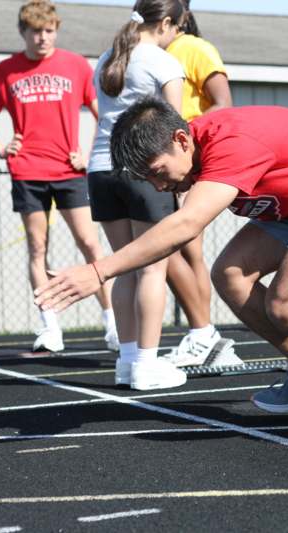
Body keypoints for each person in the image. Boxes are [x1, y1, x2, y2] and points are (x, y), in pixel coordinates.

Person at [34, 96, 288, 415]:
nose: (158, 186)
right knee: (230, 275)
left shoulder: (231, 143)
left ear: (182, 140)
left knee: (286, 305)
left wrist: (98, 271)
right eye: (147, 179)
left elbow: (187, 224)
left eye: (158, 172)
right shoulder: (195, 153)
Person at [0, 0, 117, 353]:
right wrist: (1, 148)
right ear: (23, 32)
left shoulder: (75, 65)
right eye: (36, 31)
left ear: (56, 30)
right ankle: (50, 326)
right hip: (27, 171)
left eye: (49, 31)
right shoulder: (6, 70)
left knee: (91, 245)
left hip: (69, 172)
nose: (43, 38)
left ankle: (113, 323)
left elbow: (103, 114)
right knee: (38, 248)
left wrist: (88, 155)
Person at [88, 0, 201, 390]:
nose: (177, 36)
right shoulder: (163, 61)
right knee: (152, 269)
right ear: (166, 23)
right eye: (178, 28)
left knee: (123, 267)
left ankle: (127, 362)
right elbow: (174, 128)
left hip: (100, 169)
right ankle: (146, 366)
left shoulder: (107, 58)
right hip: (143, 170)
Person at [161, 0, 239, 366]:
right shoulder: (153, 53)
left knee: (185, 249)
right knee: (175, 251)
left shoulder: (194, 48)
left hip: (189, 160)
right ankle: (203, 335)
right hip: (169, 162)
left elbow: (224, 102)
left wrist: (183, 138)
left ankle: (205, 336)